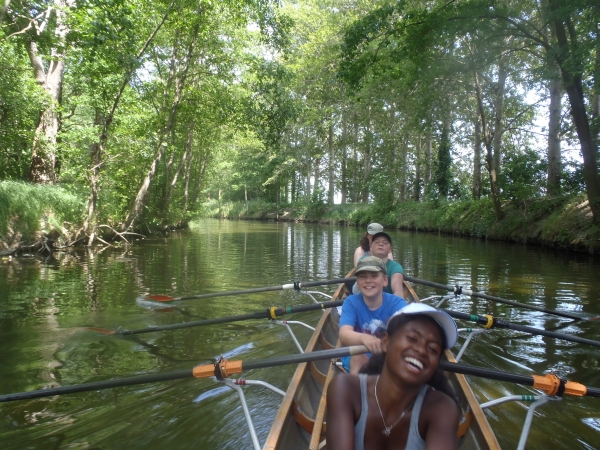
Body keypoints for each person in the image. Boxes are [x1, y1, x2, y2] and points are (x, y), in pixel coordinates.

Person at [327, 303, 461, 450]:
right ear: (385, 342)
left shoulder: (442, 409)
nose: (422, 351)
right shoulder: (345, 388)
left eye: (432, 349)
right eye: (412, 338)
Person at [339, 256, 407, 375]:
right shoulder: (351, 302)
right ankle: (358, 390)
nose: (368, 281)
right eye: (362, 277)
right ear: (357, 283)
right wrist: (365, 338)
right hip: (357, 356)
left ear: (385, 280)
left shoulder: (397, 303)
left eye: (374, 276)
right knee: (359, 358)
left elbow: (406, 333)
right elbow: (344, 334)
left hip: (387, 355)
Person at [352, 232, 404, 297]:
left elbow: (397, 285)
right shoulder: (363, 261)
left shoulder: (395, 267)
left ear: (390, 249)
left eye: (385, 243)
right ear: (371, 247)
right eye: (377, 242)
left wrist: (398, 301)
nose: (381, 244)